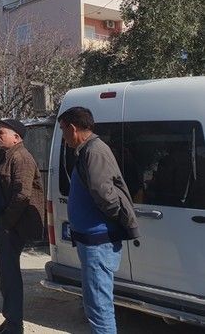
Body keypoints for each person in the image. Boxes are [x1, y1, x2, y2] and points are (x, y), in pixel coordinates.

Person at [57, 107, 140, 334]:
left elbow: (104, 193)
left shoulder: (94, 151)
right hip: (92, 239)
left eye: (64, 131)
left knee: (98, 304)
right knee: (95, 301)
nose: (63, 137)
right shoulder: (88, 150)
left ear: (73, 128)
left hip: (98, 241)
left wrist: (114, 218)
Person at [0, 119, 44, 334]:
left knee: (10, 276)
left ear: (16, 137)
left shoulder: (21, 158)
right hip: (2, 222)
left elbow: (22, 195)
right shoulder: (5, 156)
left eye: (2, 133)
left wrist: (8, 224)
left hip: (12, 225)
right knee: (3, 274)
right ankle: (10, 319)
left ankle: (15, 326)